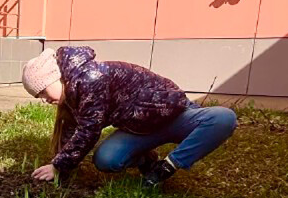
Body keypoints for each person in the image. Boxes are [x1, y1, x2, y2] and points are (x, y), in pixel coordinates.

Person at [22, 47, 237, 187]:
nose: (43, 100)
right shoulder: (71, 92)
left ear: (54, 77)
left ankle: (167, 166)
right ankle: (147, 160)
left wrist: (58, 166)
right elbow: (73, 129)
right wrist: (61, 167)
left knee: (223, 118)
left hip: (175, 115)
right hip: (138, 128)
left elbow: (89, 130)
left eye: (42, 92)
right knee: (106, 160)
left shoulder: (89, 79)